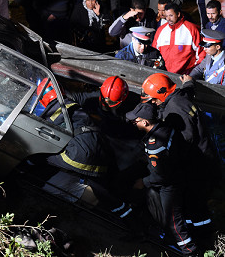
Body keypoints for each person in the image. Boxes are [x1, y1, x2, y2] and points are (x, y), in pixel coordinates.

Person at [141, 73, 220, 246]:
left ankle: (204, 242)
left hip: (197, 167)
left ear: (162, 93)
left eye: (154, 99)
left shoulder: (174, 109)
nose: (153, 103)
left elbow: (185, 140)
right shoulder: (179, 98)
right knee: (193, 206)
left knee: (195, 207)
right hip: (203, 161)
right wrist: (189, 83)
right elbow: (186, 92)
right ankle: (200, 236)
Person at [35, 79, 133, 220]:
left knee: (46, 160)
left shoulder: (127, 115)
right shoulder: (86, 100)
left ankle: (118, 212)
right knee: (98, 182)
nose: (105, 104)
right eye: (104, 100)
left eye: (110, 103)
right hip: (98, 148)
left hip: (102, 150)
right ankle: (121, 211)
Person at [126, 102, 198, 256]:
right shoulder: (165, 128)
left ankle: (190, 251)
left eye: (135, 121)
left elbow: (161, 176)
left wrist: (143, 182)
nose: (133, 123)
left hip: (169, 185)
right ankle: (170, 241)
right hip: (178, 174)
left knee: (173, 221)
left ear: (145, 122)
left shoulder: (155, 144)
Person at [152, 3, 204, 74]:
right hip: (164, 74)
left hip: (185, 76)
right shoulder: (160, 30)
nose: (168, 19)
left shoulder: (192, 29)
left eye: (171, 15)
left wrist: (194, 73)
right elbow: (154, 53)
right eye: (166, 16)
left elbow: (201, 53)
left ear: (178, 14)